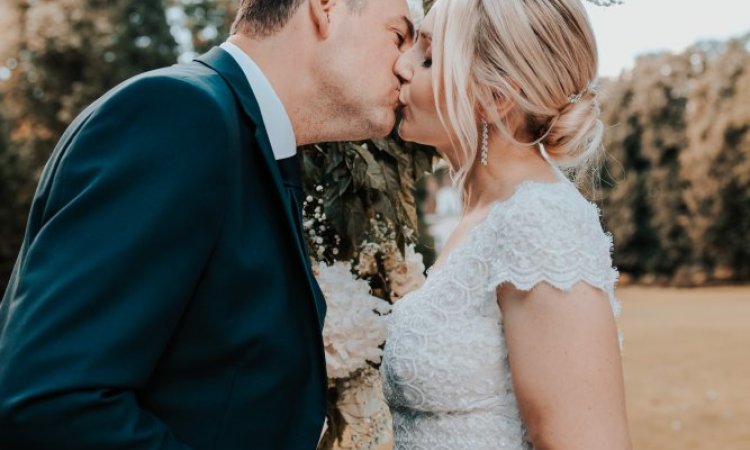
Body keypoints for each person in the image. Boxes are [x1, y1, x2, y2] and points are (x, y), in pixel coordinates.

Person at [0, 0, 415, 448]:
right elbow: (52, 398)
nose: (409, 66)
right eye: (398, 36)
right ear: (326, 8)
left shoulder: (249, 146)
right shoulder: (179, 115)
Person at [381, 0, 632, 448]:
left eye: (429, 56)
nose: (401, 65)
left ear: (494, 98)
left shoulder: (539, 221)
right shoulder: (484, 215)